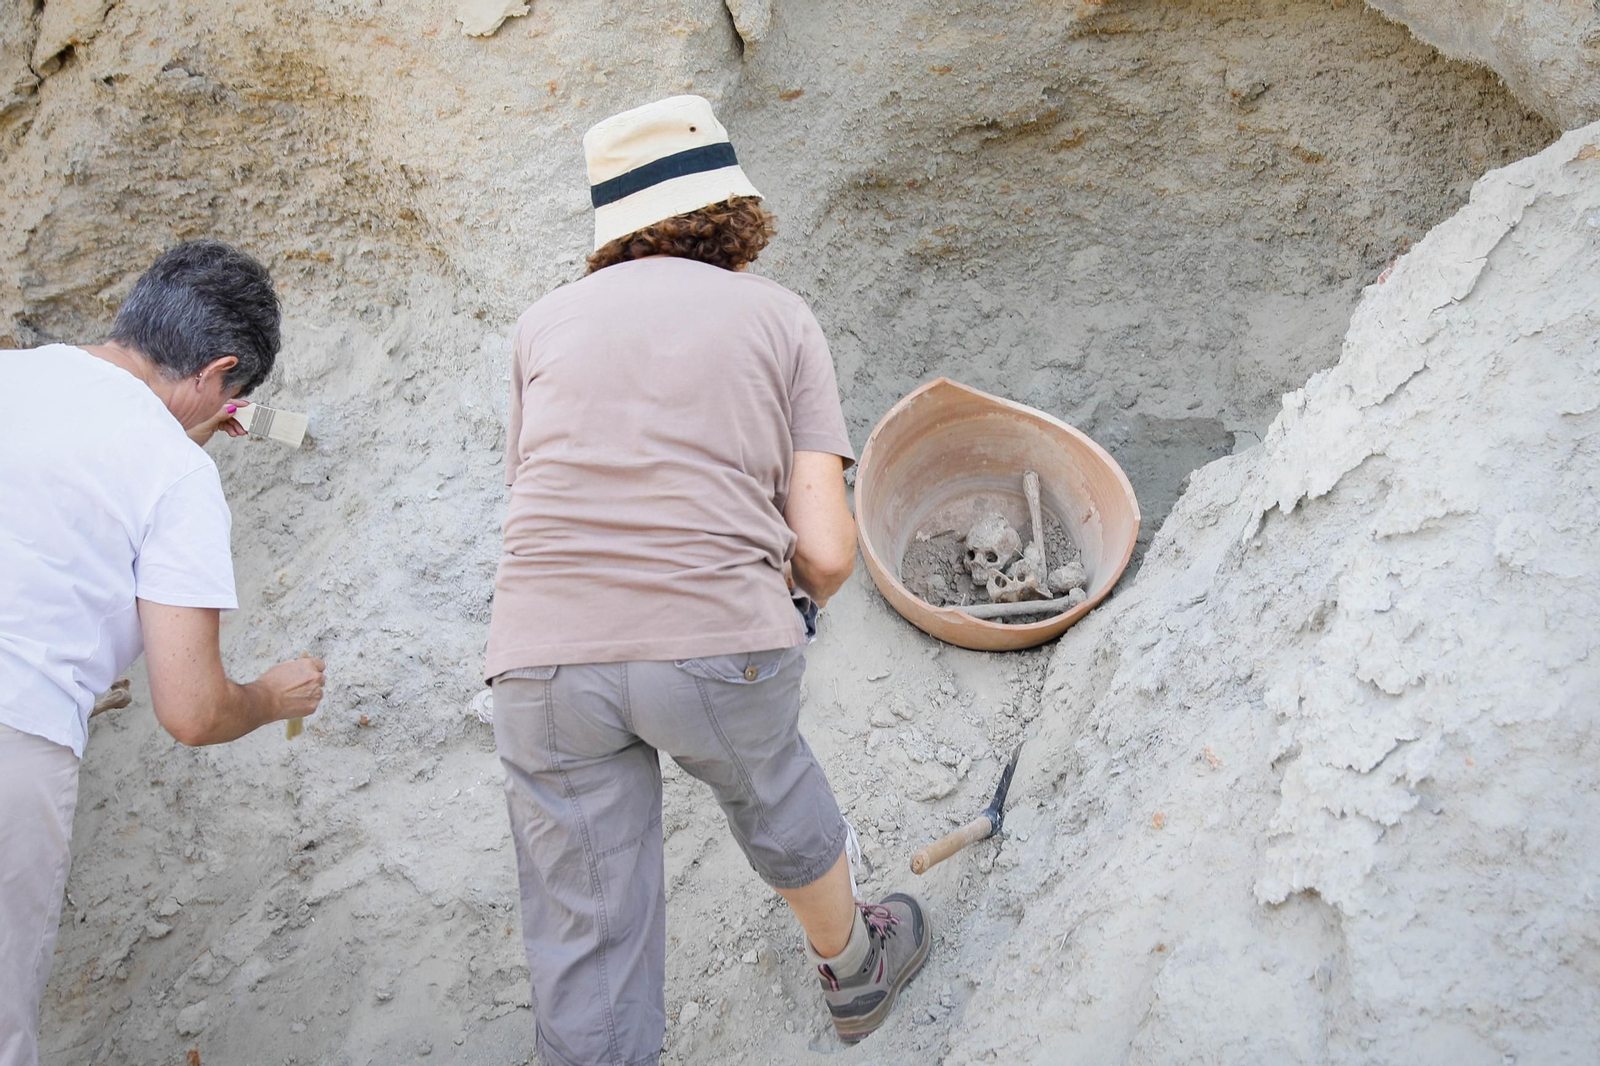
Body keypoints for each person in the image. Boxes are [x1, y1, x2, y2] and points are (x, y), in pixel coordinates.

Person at [487, 95, 932, 1066]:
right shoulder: (776, 315)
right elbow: (825, 545)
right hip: (711, 632)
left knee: (584, 927)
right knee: (773, 791)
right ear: (731, 208)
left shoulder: (541, 325)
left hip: (538, 659)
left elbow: (536, 497)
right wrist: (795, 603)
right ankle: (855, 967)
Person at [0, 241, 327, 1066]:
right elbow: (192, 709)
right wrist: (270, 697)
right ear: (220, 375)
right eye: (235, 396)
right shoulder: (174, 471)